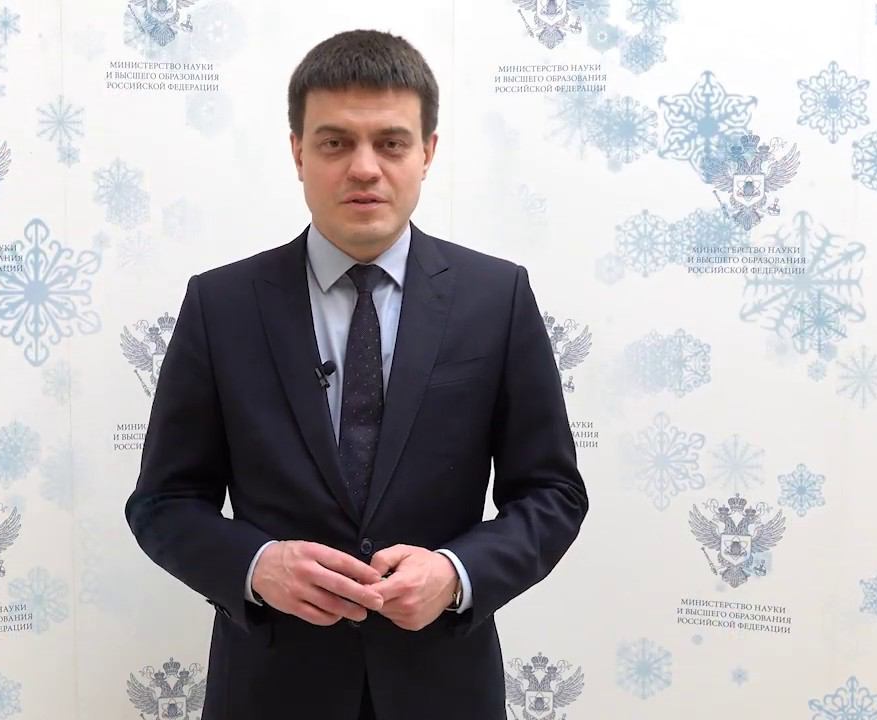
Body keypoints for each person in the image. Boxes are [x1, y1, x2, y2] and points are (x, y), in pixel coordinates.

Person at [125, 28, 589, 720]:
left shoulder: (498, 298)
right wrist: (256, 565)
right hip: (270, 692)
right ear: (298, 152)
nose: (364, 168)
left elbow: (552, 493)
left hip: (443, 691)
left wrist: (456, 574)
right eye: (335, 142)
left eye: (391, 143)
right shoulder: (220, 305)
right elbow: (163, 502)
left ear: (428, 152)